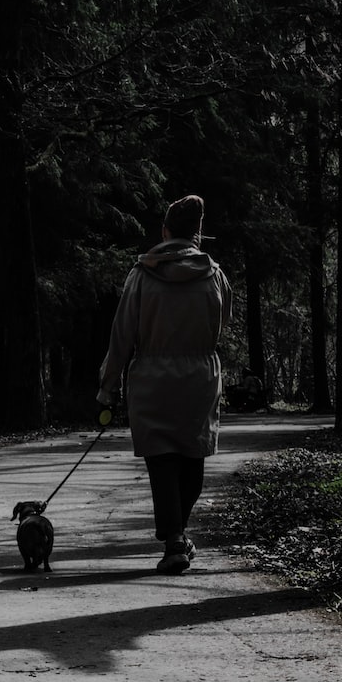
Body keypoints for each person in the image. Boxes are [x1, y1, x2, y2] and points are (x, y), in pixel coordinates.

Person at [96, 194, 232, 574]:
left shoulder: (141, 275)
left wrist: (108, 387)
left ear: (165, 231)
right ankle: (176, 536)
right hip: (199, 379)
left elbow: (121, 335)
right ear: (197, 235)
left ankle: (174, 538)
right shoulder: (214, 275)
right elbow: (222, 324)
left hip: (152, 379)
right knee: (192, 461)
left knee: (163, 464)